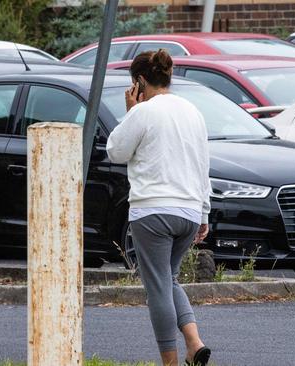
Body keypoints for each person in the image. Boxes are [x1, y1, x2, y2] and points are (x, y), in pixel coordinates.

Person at [106, 49, 212, 366]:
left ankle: (170, 362)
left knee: (157, 289)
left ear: (139, 82)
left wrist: (130, 112)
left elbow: (116, 150)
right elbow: (203, 165)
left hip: (152, 211)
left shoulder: (143, 112)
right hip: (189, 211)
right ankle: (194, 343)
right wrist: (204, 212)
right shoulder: (193, 112)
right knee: (170, 279)